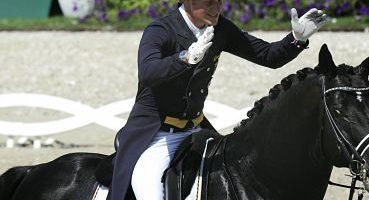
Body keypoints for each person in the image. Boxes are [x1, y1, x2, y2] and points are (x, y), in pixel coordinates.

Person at [108, 0, 328, 199]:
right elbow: (147, 73)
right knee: (151, 195)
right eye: (210, 2)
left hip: (195, 130)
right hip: (155, 135)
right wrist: (185, 58)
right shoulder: (160, 30)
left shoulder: (220, 28)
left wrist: (296, 39)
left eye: (220, 1)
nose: (217, 7)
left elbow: (267, 55)